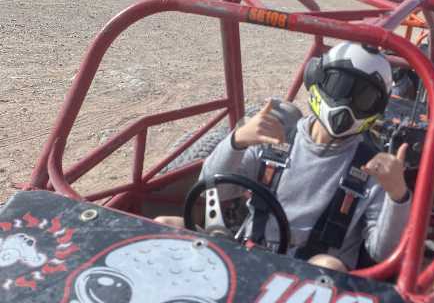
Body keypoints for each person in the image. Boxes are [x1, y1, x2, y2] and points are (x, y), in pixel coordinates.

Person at [159, 42, 411, 273]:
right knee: (165, 224)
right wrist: (236, 142)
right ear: (317, 79)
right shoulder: (275, 139)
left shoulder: (373, 169)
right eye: (340, 87)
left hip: (308, 278)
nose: (346, 105)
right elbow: (211, 192)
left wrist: (397, 195)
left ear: (376, 109)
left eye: (363, 99)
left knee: (329, 266)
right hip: (247, 253)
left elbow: (384, 253)